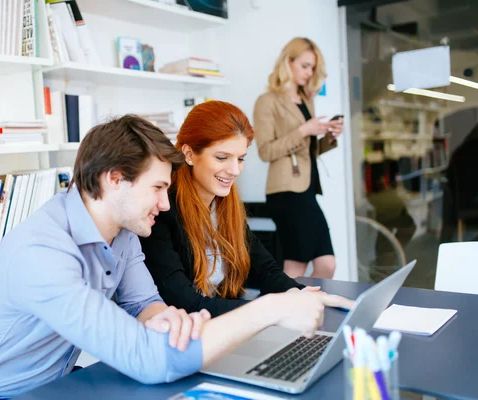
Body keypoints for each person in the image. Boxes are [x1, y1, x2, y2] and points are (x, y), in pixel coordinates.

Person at [0, 115, 346, 400]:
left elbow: (142, 304)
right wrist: (271, 310)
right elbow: (149, 362)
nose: (166, 205)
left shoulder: (123, 234)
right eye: (157, 189)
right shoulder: (43, 252)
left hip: (52, 385)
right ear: (114, 179)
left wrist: (163, 317)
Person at [140, 101, 342, 317]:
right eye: (222, 157)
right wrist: (272, 310)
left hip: (224, 326)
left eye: (241, 159)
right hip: (188, 334)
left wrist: (299, 294)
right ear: (189, 154)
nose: (235, 170)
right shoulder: (162, 211)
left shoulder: (223, 205)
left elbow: (265, 269)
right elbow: (185, 303)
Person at [253, 37, 344, 279]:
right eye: (305, 65)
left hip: (307, 189)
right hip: (285, 193)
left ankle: (308, 308)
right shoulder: (267, 101)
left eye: (312, 67)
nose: (309, 72)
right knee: (296, 266)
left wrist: (330, 135)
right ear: (288, 62)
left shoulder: (306, 99)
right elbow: (265, 151)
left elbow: (307, 151)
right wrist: (304, 130)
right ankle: (293, 312)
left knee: (327, 264)